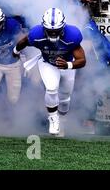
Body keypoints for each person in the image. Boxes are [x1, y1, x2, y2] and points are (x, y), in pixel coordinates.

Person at [13, 8, 86, 136]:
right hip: (48, 63)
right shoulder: (37, 34)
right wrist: (15, 50)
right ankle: (53, 118)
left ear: (63, 27)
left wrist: (68, 64)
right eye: (50, 31)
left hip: (67, 66)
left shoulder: (72, 35)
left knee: (65, 97)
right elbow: (24, 41)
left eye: (55, 31)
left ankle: (62, 119)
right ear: (43, 27)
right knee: (51, 89)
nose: (52, 34)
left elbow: (82, 60)